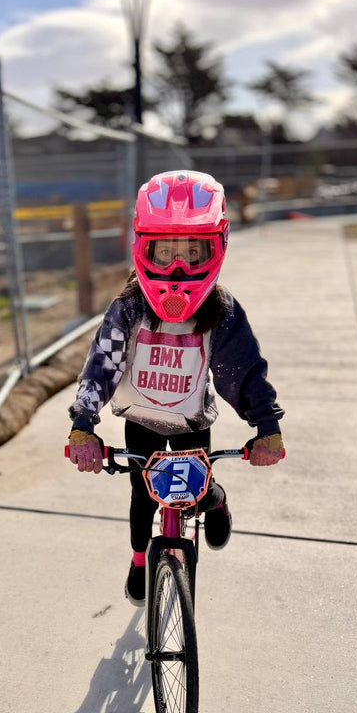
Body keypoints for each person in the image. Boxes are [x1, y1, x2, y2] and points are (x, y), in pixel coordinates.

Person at [67, 170, 285, 606]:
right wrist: (83, 423)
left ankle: (215, 500)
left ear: (217, 247)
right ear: (143, 247)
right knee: (141, 497)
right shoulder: (128, 309)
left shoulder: (220, 310)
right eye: (164, 251)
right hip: (142, 421)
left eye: (193, 252)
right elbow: (101, 366)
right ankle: (138, 560)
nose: (178, 268)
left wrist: (265, 425)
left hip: (189, 422)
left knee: (195, 491)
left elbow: (241, 370)